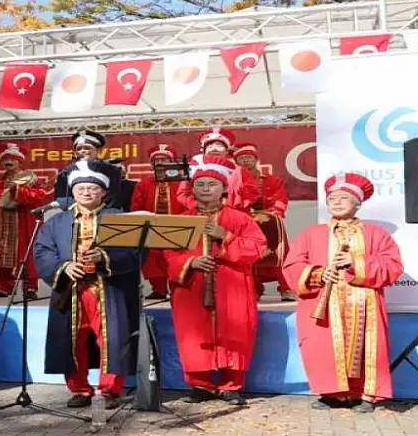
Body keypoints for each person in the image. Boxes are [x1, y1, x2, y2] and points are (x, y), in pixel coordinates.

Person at [281, 173, 403, 413]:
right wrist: (317, 274)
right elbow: (291, 265)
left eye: (344, 198)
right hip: (322, 302)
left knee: (367, 346)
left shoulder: (376, 234)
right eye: (331, 198)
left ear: (357, 204)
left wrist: (355, 262)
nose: (336, 202)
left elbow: (393, 266)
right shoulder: (311, 233)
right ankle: (333, 394)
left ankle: (365, 395)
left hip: (364, 302)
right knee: (322, 347)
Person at [34, 161, 142, 409]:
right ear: (72, 191)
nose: (85, 192)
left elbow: (136, 252)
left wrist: (105, 256)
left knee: (112, 340)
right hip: (70, 289)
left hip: (108, 289)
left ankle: (109, 390)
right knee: (72, 340)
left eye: (92, 188)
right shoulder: (56, 222)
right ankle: (80, 389)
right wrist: (64, 266)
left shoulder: (119, 218)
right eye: (80, 188)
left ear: (103, 191)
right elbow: (42, 252)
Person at [164, 158, 266, 404]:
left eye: (212, 184)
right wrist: (190, 262)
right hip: (192, 287)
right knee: (193, 335)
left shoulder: (240, 219)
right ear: (192, 189)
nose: (206, 189)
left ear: (224, 189)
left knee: (236, 331)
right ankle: (200, 385)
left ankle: (232, 385)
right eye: (200, 184)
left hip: (233, 285)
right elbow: (168, 255)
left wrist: (226, 237)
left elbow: (258, 248)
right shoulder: (182, 219)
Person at [0, 143, 52, 300]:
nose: (9, 162)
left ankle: (30, 288)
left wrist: (18, 190)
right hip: (1, 225)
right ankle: (2, 287)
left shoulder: (31, 180)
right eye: (5, 159)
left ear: (20, 162)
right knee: (0, 255)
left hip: (23, 223)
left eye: (12, 159)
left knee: (27, 254)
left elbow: (40, 197)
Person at [234, 143, 296, 301]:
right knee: (249, 256)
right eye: (242, 158)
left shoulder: (273, 180)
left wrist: (276, 211)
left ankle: (286, 288)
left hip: (270, 222)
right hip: (245, 223)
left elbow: (281, 198)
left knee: (279, 255)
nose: (246, 161)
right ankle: (253, 289)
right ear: (236, 162)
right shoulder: (234, 181)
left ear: (256, 160)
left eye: (249, 157)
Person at [130, 144, 187, 299]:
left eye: (164, 159)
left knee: (176, 258)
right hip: (151, 227)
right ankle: (159, 289)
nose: (160, 162)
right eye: (157, 160)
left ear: (171, 162)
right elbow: (136, 206)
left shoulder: (182, 181)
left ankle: (177, 288)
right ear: (151, 163)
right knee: (152, 260)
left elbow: (188, 203)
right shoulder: (143, 183)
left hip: (176, 226)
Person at [53, 130, 122, 202]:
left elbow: (114, 196)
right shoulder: (65, 172)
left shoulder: (111, 170)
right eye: (79, 149)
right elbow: (61, 196)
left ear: (98, 151)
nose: (82, 151)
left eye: (87, 148)